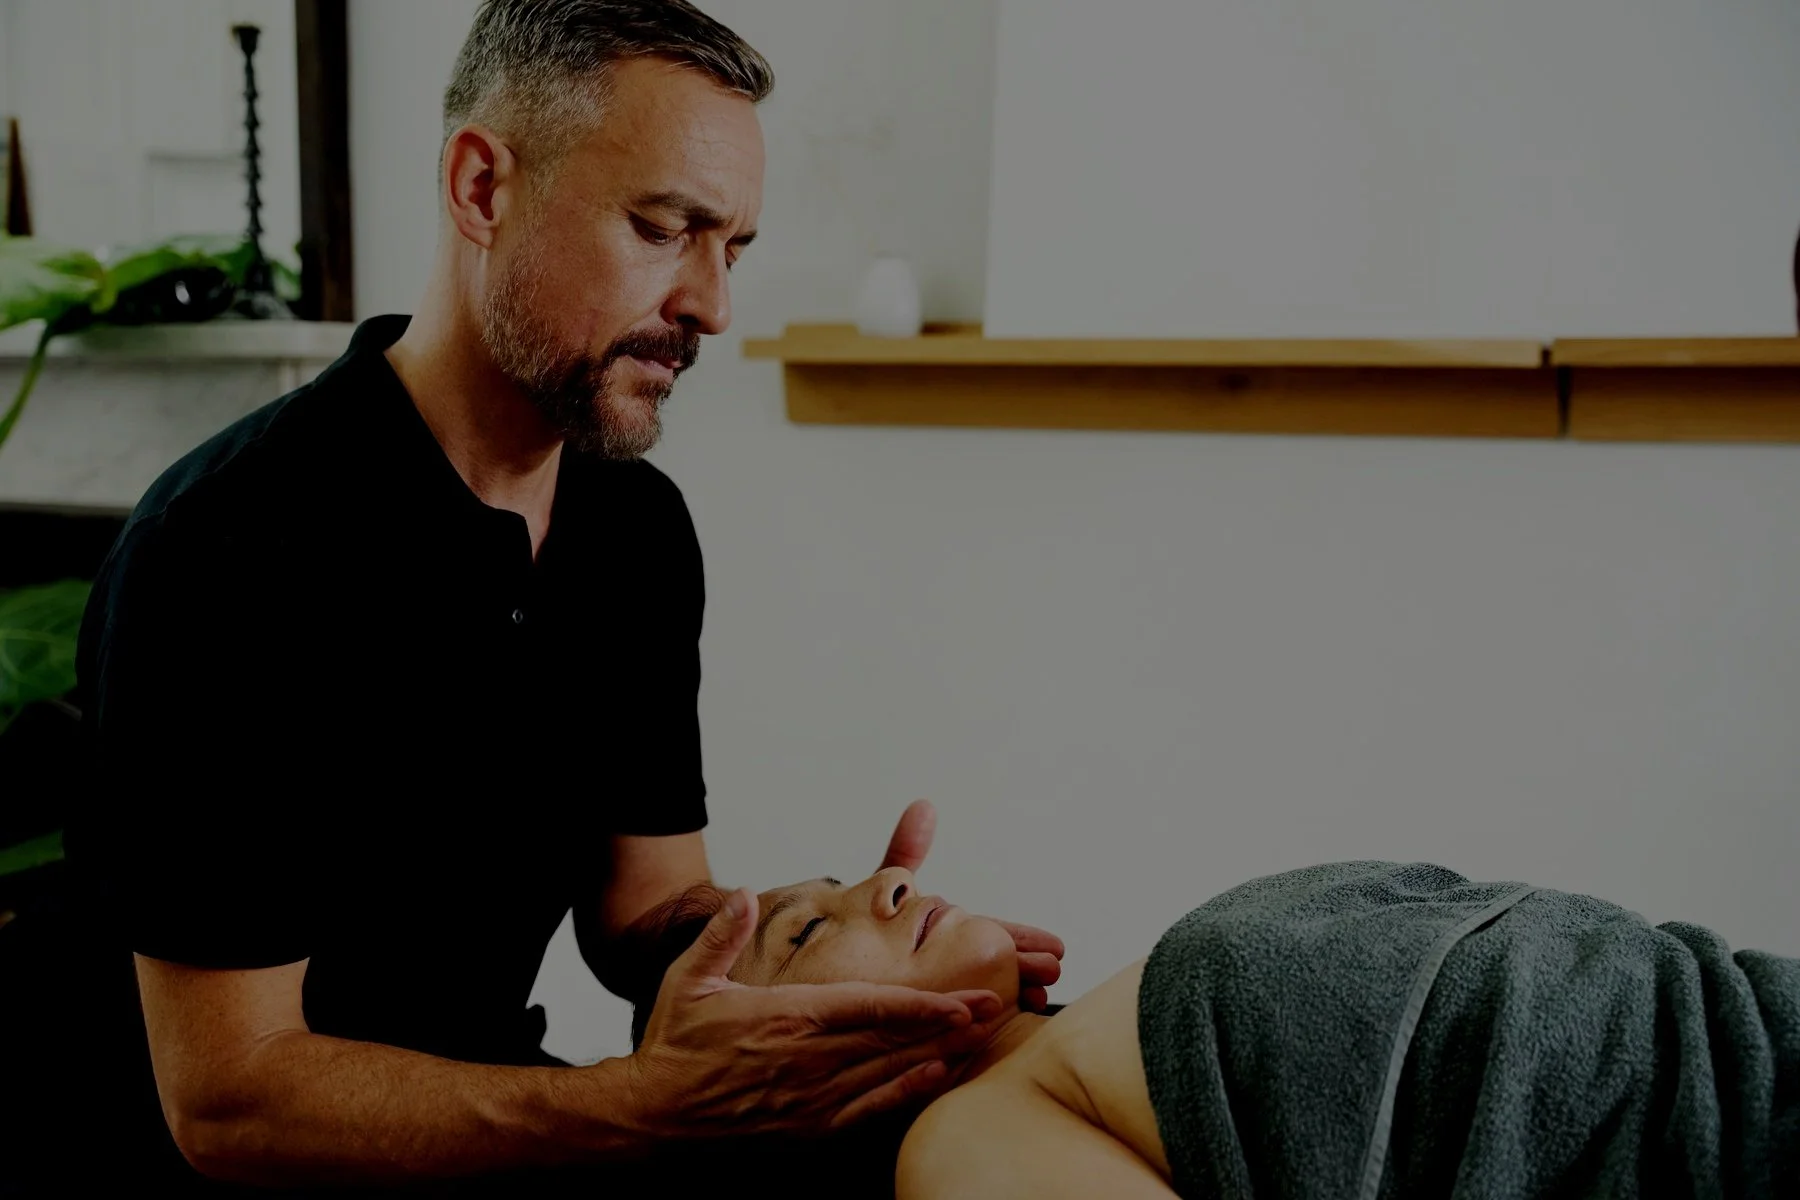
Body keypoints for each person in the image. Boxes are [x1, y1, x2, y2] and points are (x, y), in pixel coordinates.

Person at [60, 1, 1062, 1192]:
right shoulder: (225, 550)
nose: (711, 306)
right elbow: (228, 1103)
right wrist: (637, 1106)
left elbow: (642, 910)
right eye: (661, 227)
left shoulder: (634, 531)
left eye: (730, 247)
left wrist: (828, 939)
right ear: (483, 189)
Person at [621, 861, 1800, 1199]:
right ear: (770, 1079)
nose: (881, 883)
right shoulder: (963, 1146)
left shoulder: (1075, 1043)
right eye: (806, 934)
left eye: (843, 873)